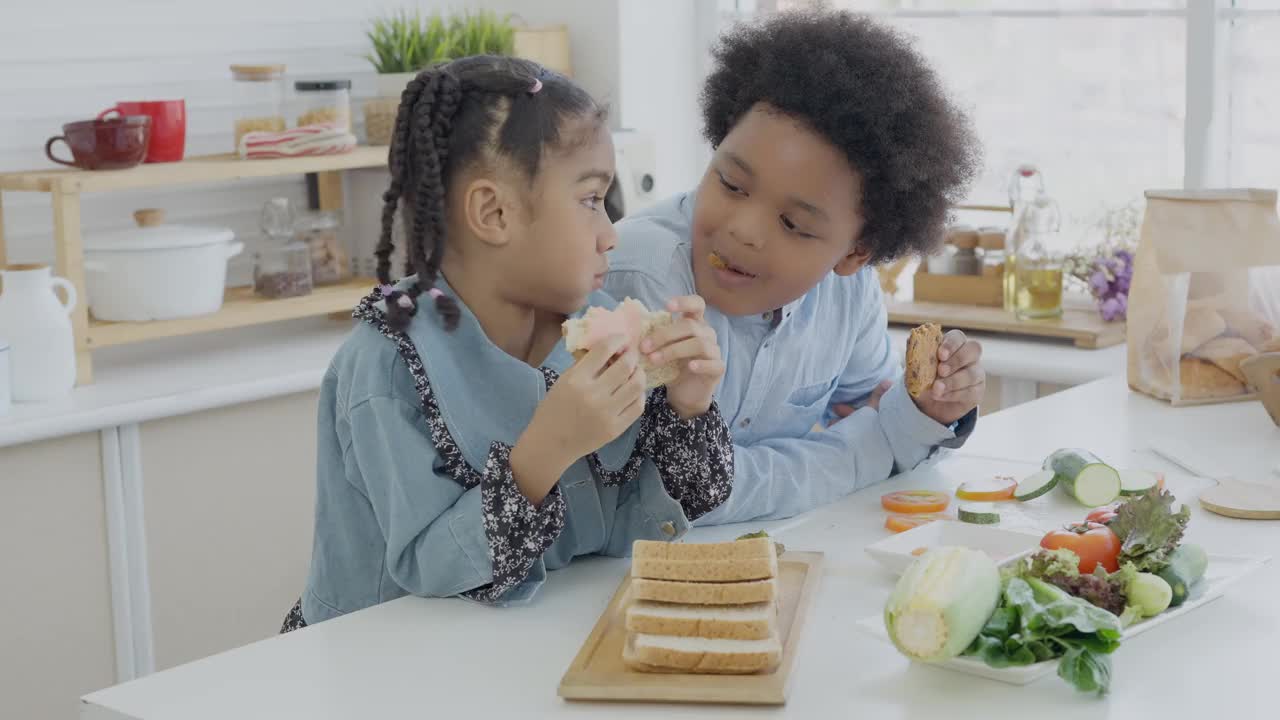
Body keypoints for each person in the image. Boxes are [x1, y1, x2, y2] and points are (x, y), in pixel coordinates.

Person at [282, 56, 733, 630]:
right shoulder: (388, 364)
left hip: (535, 650)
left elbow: (643, 520)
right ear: (494, 213)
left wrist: (687, 407)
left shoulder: (590, 326)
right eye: (592, 200)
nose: (610, 233)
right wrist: (548, 448)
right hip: (382, 669)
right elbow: (431, 571)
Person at [605, 8, 986, 525]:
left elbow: (873, 413)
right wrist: (868, 449)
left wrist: (928, 410)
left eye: (793, 224)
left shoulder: (849, 291)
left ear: (855, 253)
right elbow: (671, 500)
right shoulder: (639, 279)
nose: (744, 230)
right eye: (732, 185)